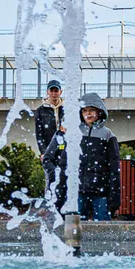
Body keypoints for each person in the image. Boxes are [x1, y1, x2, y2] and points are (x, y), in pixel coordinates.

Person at [45, 92, 120, 221]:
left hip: (100, 191)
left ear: (100, 112)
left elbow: (114, 168)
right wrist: (58, 179)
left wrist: (114, 196)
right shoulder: (72, 131)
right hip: (78, 191)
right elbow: (55, 159)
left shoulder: (108, 135)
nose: (88, 114)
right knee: (76, 227)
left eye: (92, 110)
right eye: (84, 110)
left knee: (103, 228)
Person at [35, 77, 67, 206]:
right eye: (51, 90)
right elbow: (39, 134)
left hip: (65, 150)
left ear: (60, 92)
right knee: (50, 177)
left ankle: (64, 205)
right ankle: (50, 205)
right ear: (47, 92)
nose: (54, 93)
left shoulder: (67, 108)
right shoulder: (41, 111)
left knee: (66, 176)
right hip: (49, 150)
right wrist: (43, 152)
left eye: (56, 90)